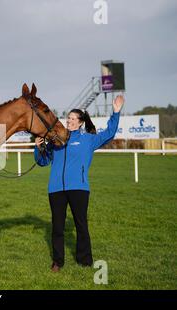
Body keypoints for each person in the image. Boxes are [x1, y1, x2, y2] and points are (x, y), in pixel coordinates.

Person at [34, 95, 125, 272]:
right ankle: (57, 262)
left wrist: (116, 112)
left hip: (79, 189)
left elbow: (110, 133)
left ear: (81, 122)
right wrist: (38, 148)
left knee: (81, 225)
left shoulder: (89, 140)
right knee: (57, 227)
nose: (69, 121)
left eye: (73, 119)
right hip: (56, 189)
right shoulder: (56, 140)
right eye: (68, 118)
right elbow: (43, 161)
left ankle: (84, 260)